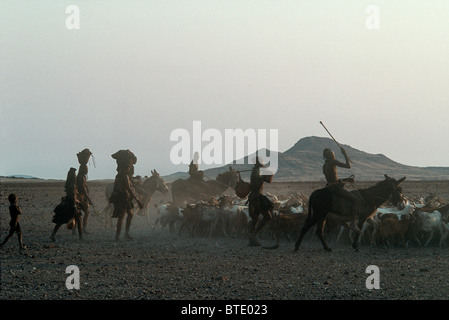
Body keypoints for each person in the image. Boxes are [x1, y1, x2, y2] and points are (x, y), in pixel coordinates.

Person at [322, 147, 361, 233]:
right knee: (355, 200)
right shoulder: (333, 162)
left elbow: (333, 180)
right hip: (335, 188)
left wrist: (347, 179)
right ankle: (353, 223)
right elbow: (348, 166)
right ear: (332, 155)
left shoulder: (325, 165)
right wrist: (345, 154)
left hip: (329, 187)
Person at [109, 149, 143, 241]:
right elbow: (129, 188)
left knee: (130, 214)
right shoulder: (124, 175)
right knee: (121, 217)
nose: (130, 167)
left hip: (124, 197)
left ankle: (126, 234)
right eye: (129, 166)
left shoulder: (120, 174)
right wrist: (138, 200)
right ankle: (117, 236)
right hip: (123, 198)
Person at [50, 167, 83, 241]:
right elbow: (73, 196)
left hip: (68, 203)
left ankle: (52, 234)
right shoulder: (73, 185)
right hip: (72, 205)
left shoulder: (68, 184)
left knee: (61, 221)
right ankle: (81, 237)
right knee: (78, 219)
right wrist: (76, 204)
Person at [247, 157, 274, 246]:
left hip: (253, 197)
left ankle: (252, 240)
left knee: (255, 219)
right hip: (257, 197)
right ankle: (254, 235)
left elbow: (268, 180)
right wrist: (264, 175)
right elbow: (256, 184)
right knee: (268, 216)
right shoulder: (256, 172)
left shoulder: (257, 170)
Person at [76, 148, 94, 233]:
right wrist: (89, 199)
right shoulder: (81, 177)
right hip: (81, 197)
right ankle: (84, 229)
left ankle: (75, 230)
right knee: (86, 212)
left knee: (77, 213)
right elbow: (83, 189)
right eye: (86, 169)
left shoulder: (80, 176)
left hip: (79, 196)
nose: (87, 170)